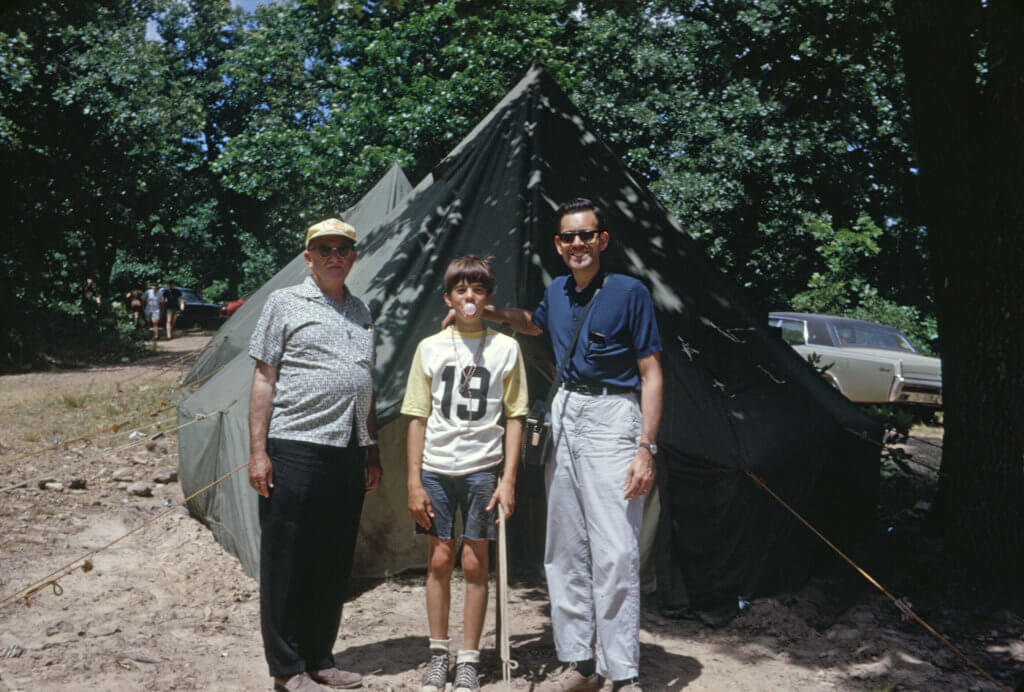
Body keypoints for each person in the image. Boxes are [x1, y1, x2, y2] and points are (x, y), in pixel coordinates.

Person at [473, 198, 663, 691]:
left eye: (586, 235)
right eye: (568, 237)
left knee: (616, 549)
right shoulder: (557, 291)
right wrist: (486, 312)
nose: (577, 244)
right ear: (559, 245)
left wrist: (647, 448)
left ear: (602, 240)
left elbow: (651, 373)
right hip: (565, 413)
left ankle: (622, 672)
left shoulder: (629, 291)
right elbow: (533, 323)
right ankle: (582, 663)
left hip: (613, 416)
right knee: (564, 546)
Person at [248, 218, 383, 692]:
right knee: (287, 559)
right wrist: (259, 452)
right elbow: (264, 378)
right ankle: (286, 668)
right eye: (323, 248)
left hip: (347, 448)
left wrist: (371, 449)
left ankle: (320, 656)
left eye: (342, 248)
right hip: (295, 446)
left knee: (331, 558)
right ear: (308, 257)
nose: (333, 256)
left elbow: (366, 382)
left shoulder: (362, 311)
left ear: (352, 256)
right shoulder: (284, 303)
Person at [402, 256, 528, 692]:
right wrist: (414, 481)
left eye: (477, 290)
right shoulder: (430, 348)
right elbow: (417, 417)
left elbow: (515, 417)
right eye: (461, 290)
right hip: (437, 469)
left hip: (480, 470)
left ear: (488, 298)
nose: (469, 298)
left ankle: (470, 659)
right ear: (449, 298)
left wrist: (507, 479)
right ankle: (439, 654)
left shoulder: (506, 348)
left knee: (475, 561)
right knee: (440, 557)